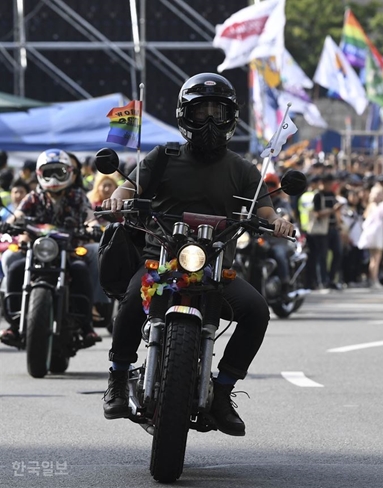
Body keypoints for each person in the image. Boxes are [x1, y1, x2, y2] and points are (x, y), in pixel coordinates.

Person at [99, 73, 295, 437]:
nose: (208, 120)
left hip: (217, 269)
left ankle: (223, 391)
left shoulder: (243, 169)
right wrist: (116, 200)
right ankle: (118, 377)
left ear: (230, 117)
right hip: (161, 263)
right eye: (200, 110)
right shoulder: (162, 157)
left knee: (256, 311)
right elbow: (127, 189)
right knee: (130, 300)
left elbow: (266, 213)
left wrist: (279, 222)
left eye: (216, 111)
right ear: (184, 114)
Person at [0, 149, 101, 348]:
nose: (54, 178)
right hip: (35, 251)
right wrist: (8, 223)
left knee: (81, 270)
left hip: (68, 252)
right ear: (39, 174)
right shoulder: (33, 197)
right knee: (14, 266)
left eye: (59, 172)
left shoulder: (78, 196)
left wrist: (94, 228)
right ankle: (13, 324)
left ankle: (87, 325)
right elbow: (18, 214)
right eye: (49, 172)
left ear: (70, 173)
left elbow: (90, 217)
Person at [263, 172, 295, 296]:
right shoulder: (258, 202)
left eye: (271, 184)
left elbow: (287, 215)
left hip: (277, 240)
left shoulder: (282, 203)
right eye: (266, 184)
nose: (269, 187)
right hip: (260, 240)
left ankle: (285, 283)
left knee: (279, 254)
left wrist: (282, 221)